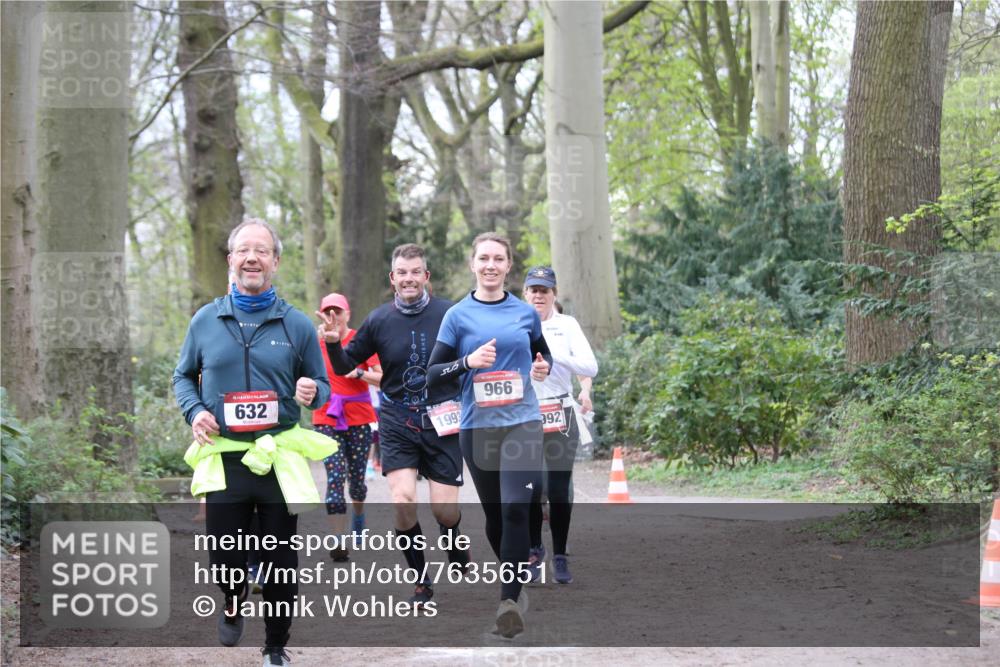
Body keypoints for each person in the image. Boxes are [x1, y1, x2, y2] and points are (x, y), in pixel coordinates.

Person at [174, 218, 334, 667]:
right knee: (224, 557)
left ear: (275, 262)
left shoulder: (297, 324)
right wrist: (195, 411)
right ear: (231, 261)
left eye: (261, 251)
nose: (252, 258)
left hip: (278, 455)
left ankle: (276, 646)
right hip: (226, 457)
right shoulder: (206, 320)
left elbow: (322, 384)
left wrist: (312, 392)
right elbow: (183, 376)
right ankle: (231, 595)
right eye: (243, 250)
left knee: (281, 560)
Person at [317, 243, 469, 609]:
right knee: (402, 500)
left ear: (426, 276)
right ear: (393, 278)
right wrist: (336, 345)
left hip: (442, 417)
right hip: (397, 418)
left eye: (415, 271)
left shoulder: (451, 313)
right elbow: (343, 366)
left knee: (444, 512)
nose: (409, 278)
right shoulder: (379, 320)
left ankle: (453, 538)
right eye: (402, 272)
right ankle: (421, 581)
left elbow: (473, 356)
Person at [425, 232, 552, 639]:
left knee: (517, 507)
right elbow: (431, 374)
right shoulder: (457, 316)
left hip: (523, 422)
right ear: (473, 264)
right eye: (484, 258)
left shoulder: (525, 312)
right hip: (478, 428)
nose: (491, 265)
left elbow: (541, 351)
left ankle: (508, 602)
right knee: (497, 516)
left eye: (499, 258)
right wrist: (467, 361)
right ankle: (512, 579)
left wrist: (543, 367)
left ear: (508, 266)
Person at [522, 266, 598, 584]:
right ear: (525, 294)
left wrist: (555, 357)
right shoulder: (515, 323)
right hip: (525, 413)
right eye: (534, 290)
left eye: (545, 290)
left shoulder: (566, 325)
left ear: (554, 294)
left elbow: (590, 366)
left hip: (560, 410)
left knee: (557, 488)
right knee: (530, 487)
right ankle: (535, 548)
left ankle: (561, 555)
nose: (539, 295)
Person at [312, 293, 382, 561]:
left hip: (359, 418)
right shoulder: (315, 344)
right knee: (335, 476)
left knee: (356, 483)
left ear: (347, 314)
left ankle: (359, 515)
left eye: (337, 311)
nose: (333, 317)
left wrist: (360, 373)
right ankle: (338, 541)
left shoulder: (361, 341)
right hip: (327, 416)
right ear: (321, 315)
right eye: (327, 311)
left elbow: (383, 379)